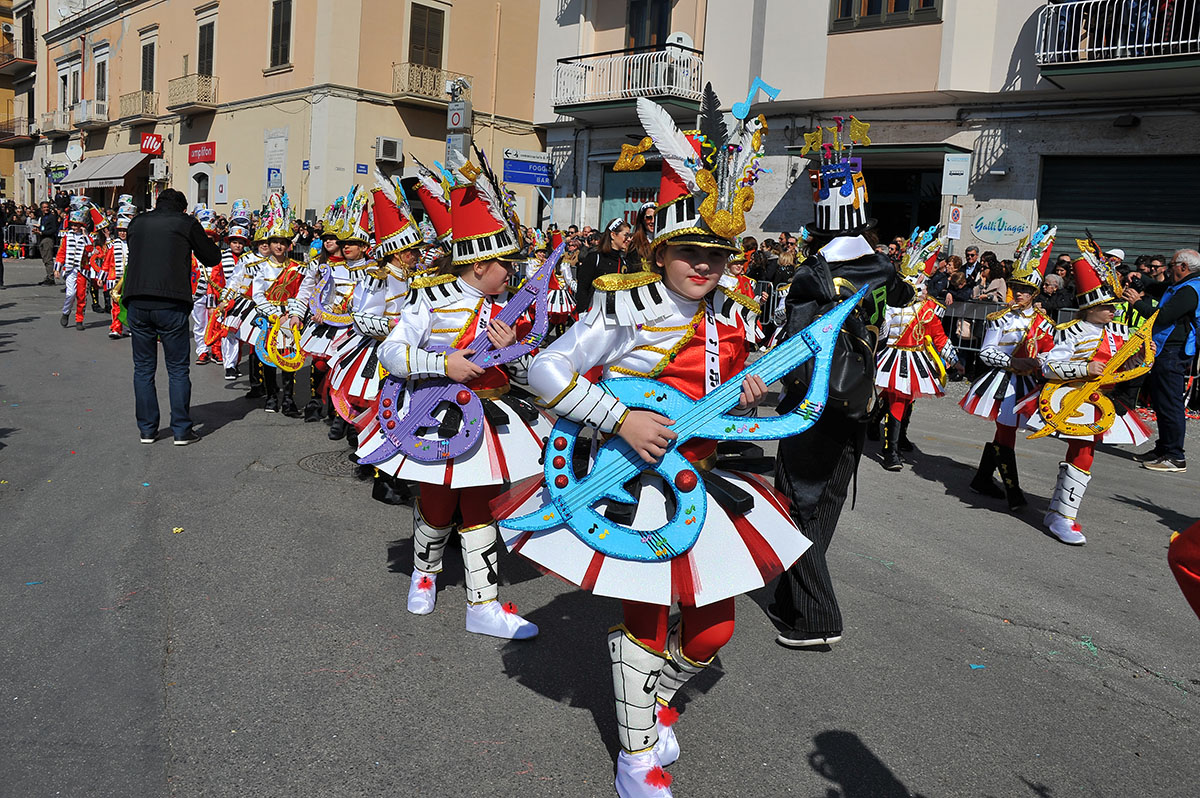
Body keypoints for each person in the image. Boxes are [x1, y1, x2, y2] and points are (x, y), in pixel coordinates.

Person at [497, 89, 798, 798]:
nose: (703, 266)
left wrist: (756, 391)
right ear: (661, 251)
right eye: (690, 251)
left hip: (704, 483)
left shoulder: (733, 313)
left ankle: (653, 702)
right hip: (631, 483)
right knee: (647, 620)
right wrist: (618, 418)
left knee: (714, 631)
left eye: (716, 255)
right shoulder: (625, 305)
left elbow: (748, 386)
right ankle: (634, 759)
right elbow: (546, 368)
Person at [355, 154, 549, 642]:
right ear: (480, 264)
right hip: (436, 414)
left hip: (492, 416)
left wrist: (513, 350)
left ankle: (483, 603)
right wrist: (445, 365)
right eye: (505, 265)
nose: (513, 273)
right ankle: (424, 574)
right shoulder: (430, 298)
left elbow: (527, 371)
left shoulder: (509, 308)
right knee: (438, 501)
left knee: (482, 505)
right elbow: (392, 351)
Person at [772, 116, 914, 653]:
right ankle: (792, 601)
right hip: (857, 398)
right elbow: (904, 299)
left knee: (795, 506)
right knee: (824, 502)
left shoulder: (812, 274)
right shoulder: (883, 269)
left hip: (814, 402)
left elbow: (794, 344)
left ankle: (817, 617)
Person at [1017, 251, 1153, 545]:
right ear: (1090, 308)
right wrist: (1084, 368)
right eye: (1106, 306)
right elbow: (1048, 365)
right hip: (1071, 399)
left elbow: (1122, 367)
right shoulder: (1071, 331)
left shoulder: (1119, 332)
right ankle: (1063, 518)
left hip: (1101, 402)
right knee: (1083, 454)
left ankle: (1059, 513)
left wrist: (1142, 355)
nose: (1113, 311)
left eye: (1113, 306)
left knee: (1083, 454)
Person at [960, 227, 1057, 510]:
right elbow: (986, 352)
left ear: (1035, 292)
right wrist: (1012, 361)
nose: (1020, 293)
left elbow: (1051, 353)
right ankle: (1014, 494)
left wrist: (1040, 363)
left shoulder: (1045, 323)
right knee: (1006, 433)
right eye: (1017, 288)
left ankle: (981, 479)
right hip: (1001, 381)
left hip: (1027, 383)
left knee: (1006, 431)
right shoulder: (1000, 318)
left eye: (1026, 290)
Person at [120, 188, 221, 445]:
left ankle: (147, 429)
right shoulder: (185, 223)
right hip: (171, 302)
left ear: (157, 204)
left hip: (137, 300)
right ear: (183, 208)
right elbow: (212, 258)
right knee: (177, 369)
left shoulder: (137, 222)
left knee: (143, 368)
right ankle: (181, 430)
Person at [873, 227, 963, 470]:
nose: (922, 289)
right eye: (917, 284)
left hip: (916, 358)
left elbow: (940, 337)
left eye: (923, 284)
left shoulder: (928, 309)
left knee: (906, 398)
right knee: (897, 399)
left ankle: (890, 433)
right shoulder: (892, 306)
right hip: (892, 356)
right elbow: (881, 332)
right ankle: (889, 450)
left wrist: (955, 361)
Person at [1138, 249, 1200, 472]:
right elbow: (1161, 289)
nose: (1168, 269)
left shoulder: (1190, 290)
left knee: (1170, 403)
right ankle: (1163, 448)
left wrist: (1137, 303)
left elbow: (1163, 316)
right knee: (1161, 401)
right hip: (1165, 349)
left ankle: (1175, 456)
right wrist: (1142, 279)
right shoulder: (1181, 285)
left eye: (1172, 265)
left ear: (1183, 267)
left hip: (1174, 352)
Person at [251, 191, 311, 417]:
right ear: (269, 243)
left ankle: (288, 399)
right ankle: (271, 395)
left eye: (282, 242)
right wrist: (274, 314)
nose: (278, 246)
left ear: (287, 245)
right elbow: (258, 295)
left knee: (289, 357)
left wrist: (292, 314)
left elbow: (301, 293)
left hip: (290, 316)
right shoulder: (260, 267)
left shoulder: (297, 268)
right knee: (268, 358)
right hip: (269, 317)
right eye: (275, 242)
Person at [573, 218, 631, 313]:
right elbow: (583, 288)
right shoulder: (595, 258)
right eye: (626, 235)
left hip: (617, 315)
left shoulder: (624, 261)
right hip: (594, 314)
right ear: (613, 235)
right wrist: (582, 313)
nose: (629, 239)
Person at [54, 208, 94, 331]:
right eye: (73, 225)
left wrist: (85, 235)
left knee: (81, 296)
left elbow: (90, 250)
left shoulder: (87, 237)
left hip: (82, 270)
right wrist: (57, 269)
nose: (74, 227)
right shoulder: (67, 236)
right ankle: (66, 312)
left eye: (77, 225)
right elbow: (61, 253)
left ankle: (79, 320)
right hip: (70, 269)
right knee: (70, 294)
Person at [37, 201, 60, 286]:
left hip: (48, 239)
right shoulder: (43, 217)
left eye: (47, 207)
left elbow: (53, 229)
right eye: (44, 207)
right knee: (45, 259)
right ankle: (48, 276)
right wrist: (38, 229)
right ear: (41, 208)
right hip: (42, 238)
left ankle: (51, 278)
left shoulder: (51, 217)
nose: (46, 209)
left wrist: (42, 232)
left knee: (48, 259)